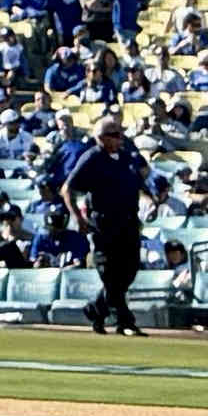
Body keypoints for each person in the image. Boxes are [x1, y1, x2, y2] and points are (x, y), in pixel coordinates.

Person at [72, 112, 153, 336]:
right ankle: (126, 321)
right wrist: (78, 218)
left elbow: (138, 180)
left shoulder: (125, 157)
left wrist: (149, 197)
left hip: (128, 222)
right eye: (115, 135)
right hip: (105, 224)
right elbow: (68, 188)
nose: (120, 139)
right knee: (110, 272)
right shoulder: (92, 158)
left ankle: (96, 310)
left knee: (128, 271)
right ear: (102, 137)